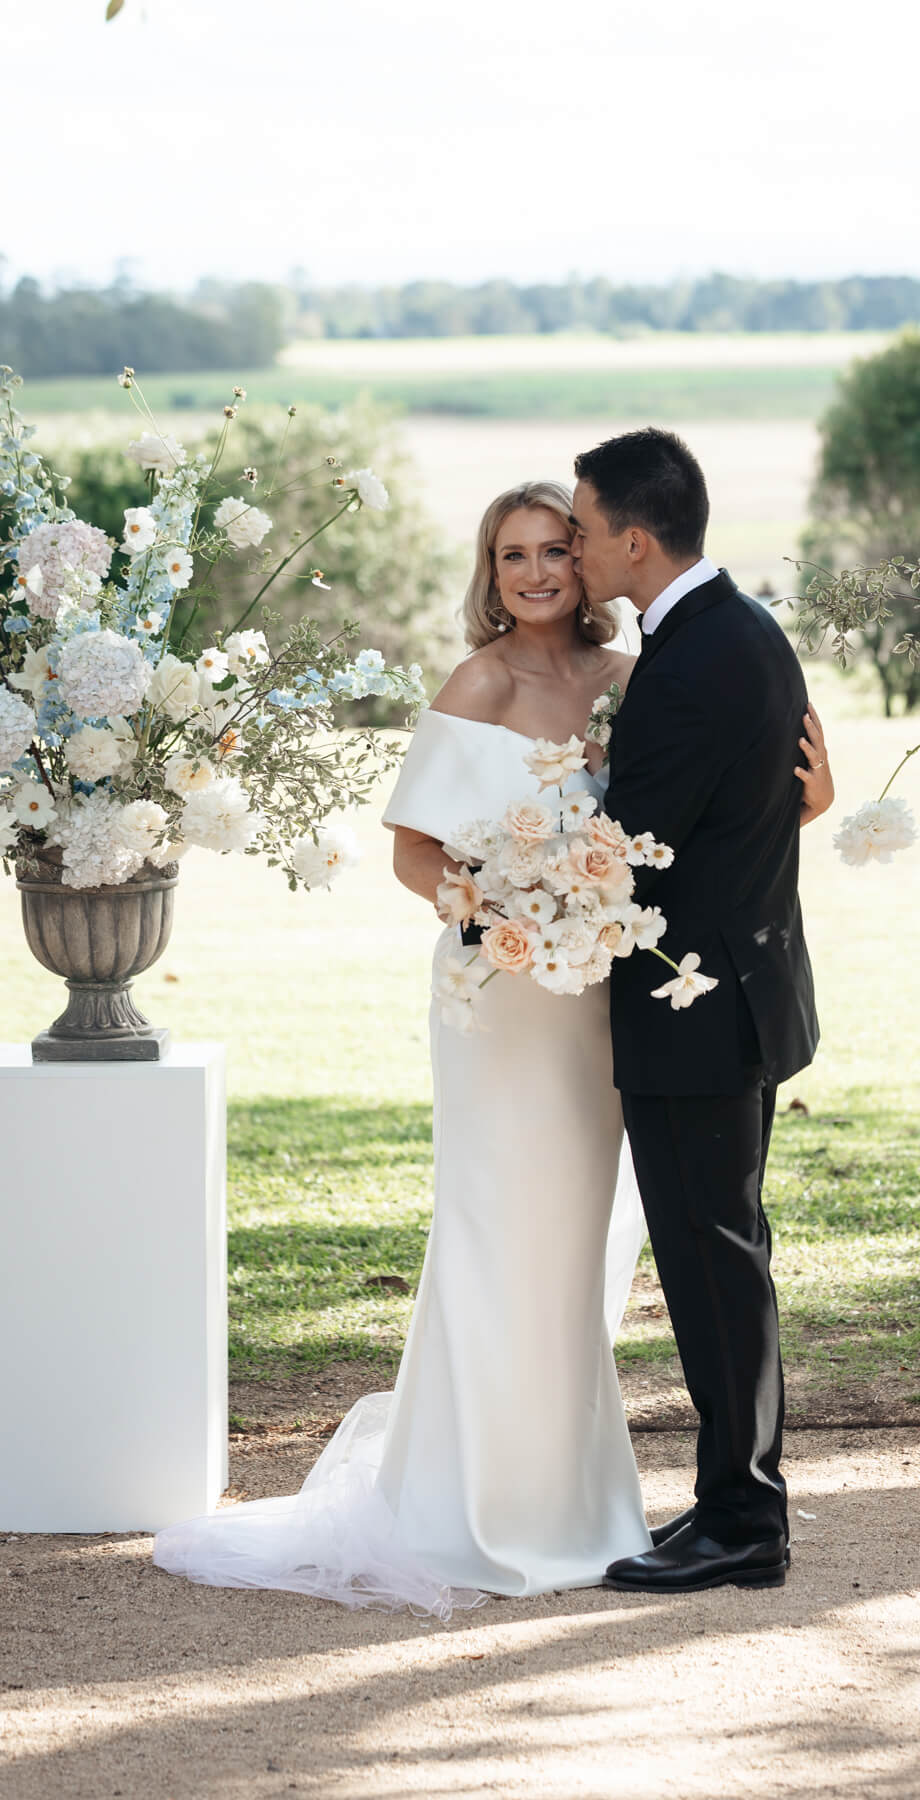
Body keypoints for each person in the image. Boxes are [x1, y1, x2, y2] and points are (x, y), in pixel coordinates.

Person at [153, 481, 653, 1614]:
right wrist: (493, 906)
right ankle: (464, 1507)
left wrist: (588, 907)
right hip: (496, 995)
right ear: (491, 571)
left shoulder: (628, 685)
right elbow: (414, 853)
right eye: (510, 554)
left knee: (579, 1239)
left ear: (584, 565)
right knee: (492, 1227)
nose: (533, 573)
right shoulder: (478, 683)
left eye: (552, 552)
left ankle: (575, 1501)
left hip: (594, 993)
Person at [569, 428, 824, 1594]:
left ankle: (745, 1522)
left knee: (714, 1262)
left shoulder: (696, 658)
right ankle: (731, 1501)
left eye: (579, 527)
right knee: (724, 1254)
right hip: (740, 995)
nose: (572, 546)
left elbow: (634, 854)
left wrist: (495, 901)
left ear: (632, 537)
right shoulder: (738, 631)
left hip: (698, 1012)